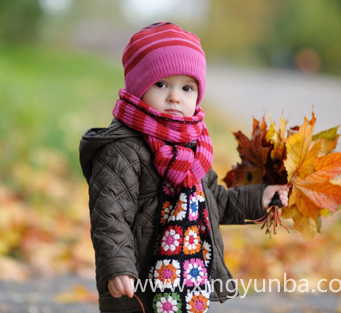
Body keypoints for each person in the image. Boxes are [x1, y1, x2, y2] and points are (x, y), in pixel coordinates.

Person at [79, 22, 289, 313]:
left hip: (185, 282)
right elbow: (110, 215)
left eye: (187, 87)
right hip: (138, 282)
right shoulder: (122, 149)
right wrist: (117, 267)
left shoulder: (193, 149)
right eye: (161, 84)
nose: (175, 97)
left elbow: (214, 202)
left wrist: (259, 198)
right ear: (138, 88)